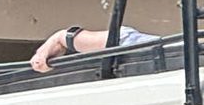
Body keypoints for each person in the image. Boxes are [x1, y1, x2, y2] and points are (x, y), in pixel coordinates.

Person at [29, 22, 158, 72]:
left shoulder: (171, 50)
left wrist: (60, 39)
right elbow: (123, 40)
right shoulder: (169, 49)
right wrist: (59, 39)